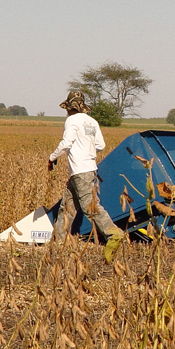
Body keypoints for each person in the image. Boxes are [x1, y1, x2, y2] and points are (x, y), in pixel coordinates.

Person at [48, 91, 125, 252]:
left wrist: (52, 157)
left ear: (69, 107)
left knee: (90, 207)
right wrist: (87, 150)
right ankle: (60, 240)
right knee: (67, 205)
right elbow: (101, 145)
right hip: (89, 169)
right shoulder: (92, 122)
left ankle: (113, 233)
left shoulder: (72, 121)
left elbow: (66, 142)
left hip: (80, 170)